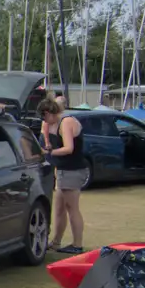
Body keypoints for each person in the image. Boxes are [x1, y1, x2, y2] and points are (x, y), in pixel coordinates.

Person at [40, 97, 89, 254]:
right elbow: (44, 130)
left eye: (44, 117)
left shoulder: (66, 122)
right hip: (63, 170)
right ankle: (56, 242)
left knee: (72, 208)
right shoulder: (52, 122)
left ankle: (77, 244)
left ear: (49, 113)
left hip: (73, 170)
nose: (44, 121)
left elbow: (69, 148)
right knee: (59, 208)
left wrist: (49, 152)